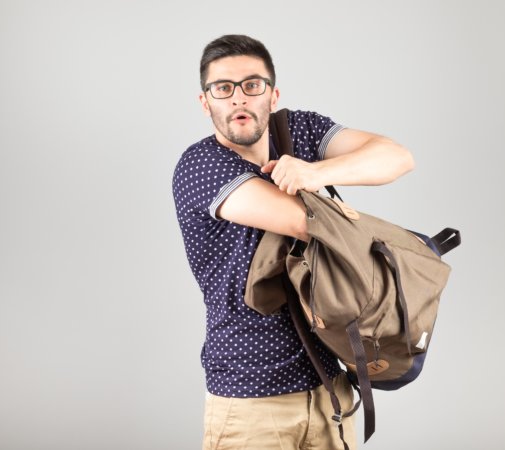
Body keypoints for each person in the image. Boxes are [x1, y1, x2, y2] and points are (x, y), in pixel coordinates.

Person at [172, 34, 414, 450]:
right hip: (251, 399)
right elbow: (304, 223)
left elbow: (397, 157)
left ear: (273, 93)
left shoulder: (298, 130)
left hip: (330, 388)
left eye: (252, 85)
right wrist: (323, 177)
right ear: (205, 101)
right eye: (222, 88)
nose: (238, 99)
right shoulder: (200, 166)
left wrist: (316, 173)